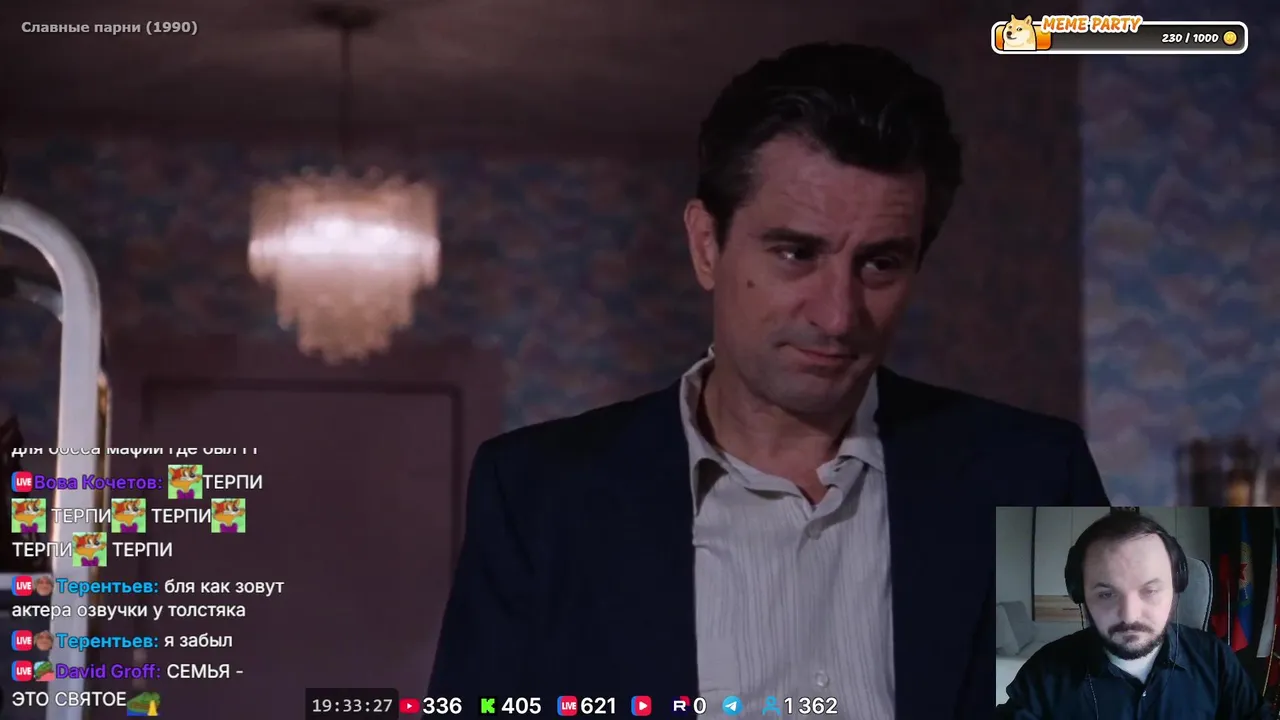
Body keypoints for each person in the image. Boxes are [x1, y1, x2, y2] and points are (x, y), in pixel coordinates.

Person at [429, 42, 1108, 718]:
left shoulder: (1036, 477)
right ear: (707, 245)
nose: (837, 315)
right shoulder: (539, 495)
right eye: (796, 253)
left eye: (880, 263)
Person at [997, 512, 1270, 719]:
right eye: (1106, 594)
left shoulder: (1216, 659)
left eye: (1150, 590)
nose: (1129, 615)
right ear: (1079, 592)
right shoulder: (1045, 672)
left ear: (1176, 587)